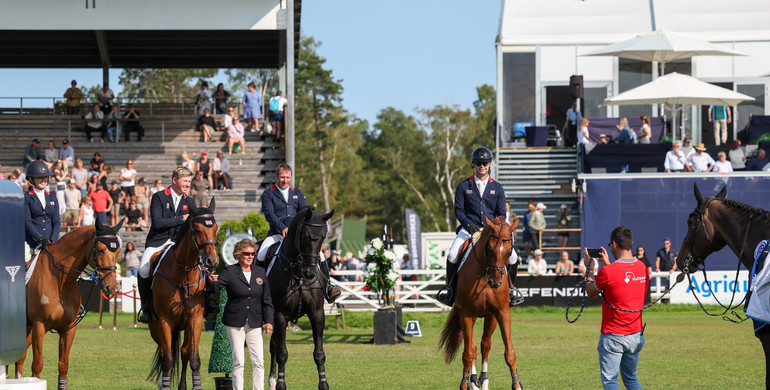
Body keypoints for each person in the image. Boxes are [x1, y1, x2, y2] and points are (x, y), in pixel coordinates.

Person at [437, 147, 516, 306]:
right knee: (452, 254)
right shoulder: (463, 186)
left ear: (490, 164)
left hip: (492, 231)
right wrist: (468, 225)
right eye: (479, 163)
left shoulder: (497, 188)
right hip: (469, 229)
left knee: (513, 256)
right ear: (473, 164)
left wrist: (492, 227)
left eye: (485, 163)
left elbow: (501, 213)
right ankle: (450, 290)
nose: (482, 166)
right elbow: (458, 210)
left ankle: (512, 290)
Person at [258, 163, 341, 302]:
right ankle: (258, 288)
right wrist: (282, 228)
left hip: (296, 236)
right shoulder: (268, 194)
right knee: (261, 253)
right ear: (276, 176)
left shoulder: (298, 193)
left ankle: (328, 287)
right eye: (282, 177)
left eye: (288, 177)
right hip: (276, 234)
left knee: (320, 254)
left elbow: (304, 213)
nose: (285, 180)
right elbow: (269, 215)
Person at [584, 226, 648, 390]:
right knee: (631, 378)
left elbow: (591, 292)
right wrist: (607, 265)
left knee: (610, 381)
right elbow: (624, 283)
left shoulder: (608, 271)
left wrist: (589, 270)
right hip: (635, 334)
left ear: (614, 244)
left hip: (614, 335)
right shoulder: (642, 268)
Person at [210, 239, 274, 390]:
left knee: (258, 360)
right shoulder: (229, 271)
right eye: (247, 253)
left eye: (253, 253)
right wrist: (211, 281)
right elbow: (216, 289)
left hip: (255, 322)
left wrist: (269, 321)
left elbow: (267, 300)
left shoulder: (260, 272)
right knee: (238, 361)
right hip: (234, 322)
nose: (250, 256)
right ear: (239, 255)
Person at [137, 166, 196, 323]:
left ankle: (205, 303)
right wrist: (182, 219)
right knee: (143, 269)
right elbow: (157, 223)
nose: (188, 184)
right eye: (185, 181)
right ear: (175, 180)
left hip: (179, 244)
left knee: (200, 266)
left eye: (189, 181)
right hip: (159, 241)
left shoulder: (190, 201)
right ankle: (146, 308)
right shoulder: (159, 197)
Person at [24, 161, 60, 253]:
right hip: (32, 245)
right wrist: (39, 239)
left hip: (50, 245)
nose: (43, 180)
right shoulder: (26, 197)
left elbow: (56, 221)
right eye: (40, 177)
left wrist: (53, 240)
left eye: (45, 177)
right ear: (31, 179)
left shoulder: (52, 198)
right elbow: (27, 221)